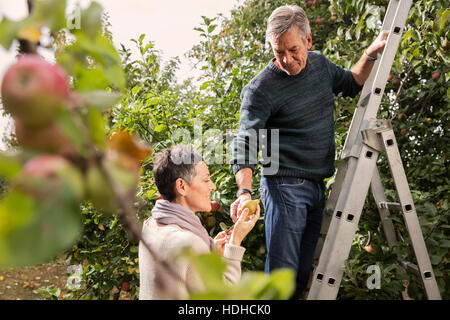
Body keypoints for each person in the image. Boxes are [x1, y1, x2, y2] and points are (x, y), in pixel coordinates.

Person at [229, 5, 388, 299]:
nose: (287, 59)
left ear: (309, 41)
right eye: (279, 52)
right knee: (283, 279)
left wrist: (371, 53)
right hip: (284, 186)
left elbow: (352, 82)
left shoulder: (318, 65)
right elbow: (245, 141)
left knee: (302, 275)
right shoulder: (260, 88)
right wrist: (244, 192)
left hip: (316, 186)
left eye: (293, 49)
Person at [139, 144, 260, 300]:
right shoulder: (189, 242)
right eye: (206, 180)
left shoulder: (150, 225)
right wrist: (235, 242)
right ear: (182, 186)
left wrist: (209, 254)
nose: (213, 186)